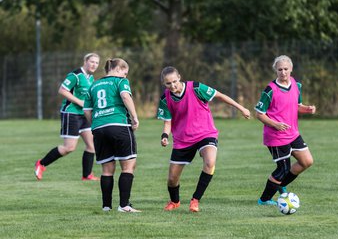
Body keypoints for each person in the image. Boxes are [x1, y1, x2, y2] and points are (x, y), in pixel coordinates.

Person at [157, 66, 251, 212]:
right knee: (172, 179)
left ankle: (195, 200)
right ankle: (175, 201)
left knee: (210, 161)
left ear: (179, 77)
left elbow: (219, 95)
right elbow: (167, 122)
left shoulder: (195, 88)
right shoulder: (165, 98)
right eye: (168, 83)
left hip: (205, 133)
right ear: (164, 83)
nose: (173, 85)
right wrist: (164, 136)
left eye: (175, 81)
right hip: (182, 140)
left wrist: (241, 108)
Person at [255, 55, 316, 205]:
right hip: (275, 136)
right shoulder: (270, 90)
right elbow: (259, 114)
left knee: (307, 161)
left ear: (291, 69)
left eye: (286, 69)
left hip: (292, 133)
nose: (283, 72)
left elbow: (297, 105)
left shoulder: (296, 84)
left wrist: (307, 109)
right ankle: (264, 200)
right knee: (283, 169)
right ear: (275, 70)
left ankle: (280, 185)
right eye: (280, 69)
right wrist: (275, 124)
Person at [83, 58, 140, 212]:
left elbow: (86, 110)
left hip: (98, 128)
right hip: (119, 124)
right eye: (125, 72)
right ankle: (124, 205)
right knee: (128, 166)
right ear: (118, 69)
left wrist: (96, 123)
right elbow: (125, 97)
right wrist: (135, 117)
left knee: (107, 170)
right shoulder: (120, 81)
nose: (125, 76)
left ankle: (106, 206)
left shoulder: (93, 85)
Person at [34, 53, 100, 181]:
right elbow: (62, 90)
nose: (94, 65)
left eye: (97, 63)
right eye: (92, 62)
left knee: (92, 145)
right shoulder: (75, 75)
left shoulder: (91, 78)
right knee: (69, 147)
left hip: (84, 115)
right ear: (85, 61)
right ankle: (41, 164)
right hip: (71, 114)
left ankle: (87, 175)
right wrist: (79, 102)